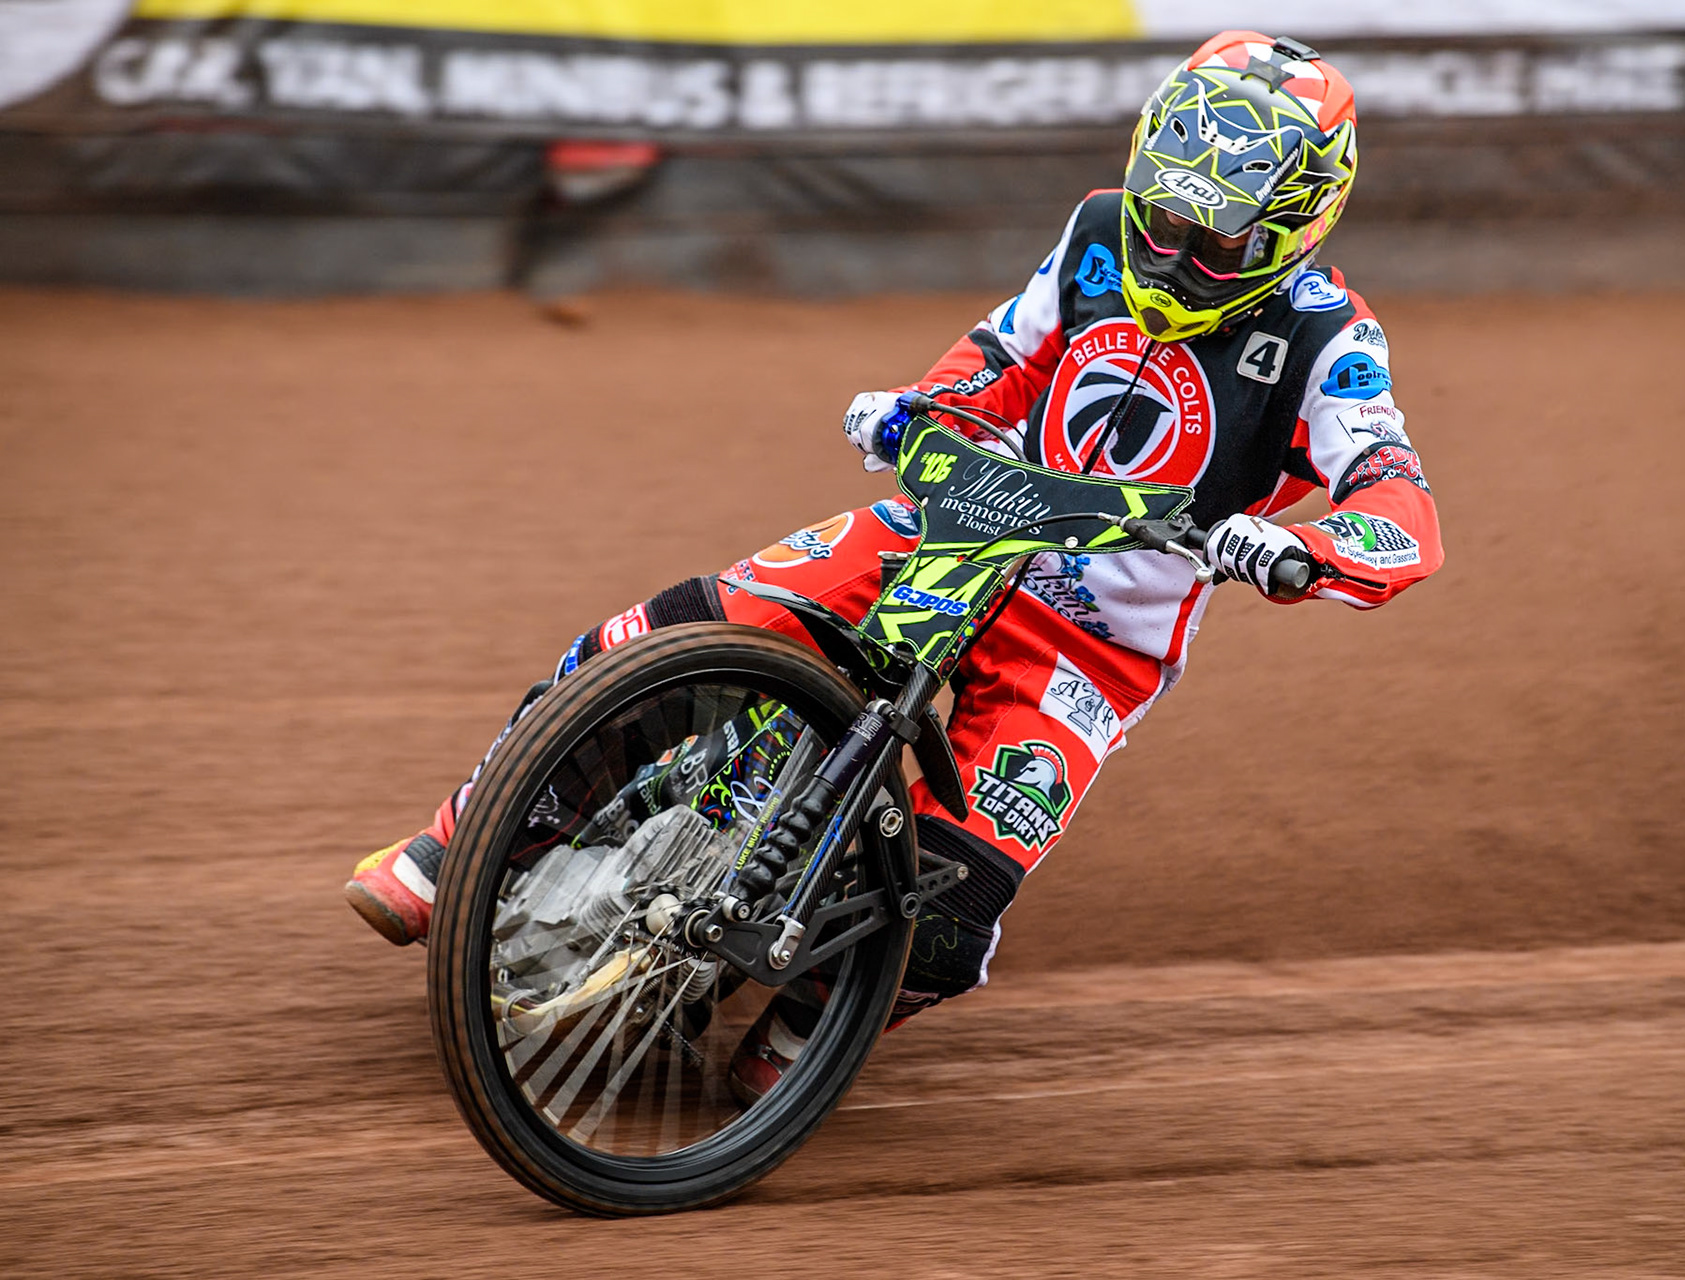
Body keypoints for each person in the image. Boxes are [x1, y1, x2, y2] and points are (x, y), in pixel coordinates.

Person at [345, 31, 1442, 1098]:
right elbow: (1000, 355)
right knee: (669, 629)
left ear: (1299, 227)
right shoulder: (1099, 232)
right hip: (960, 527)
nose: (1174, 255)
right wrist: (927, 412)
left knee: (953, 915)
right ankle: (463, 837)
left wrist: (1304, 546)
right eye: (1163, 220)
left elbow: (1404, 507)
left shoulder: (1328, 342)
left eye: (1219, 242)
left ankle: (814, 1022)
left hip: (1092, 643)